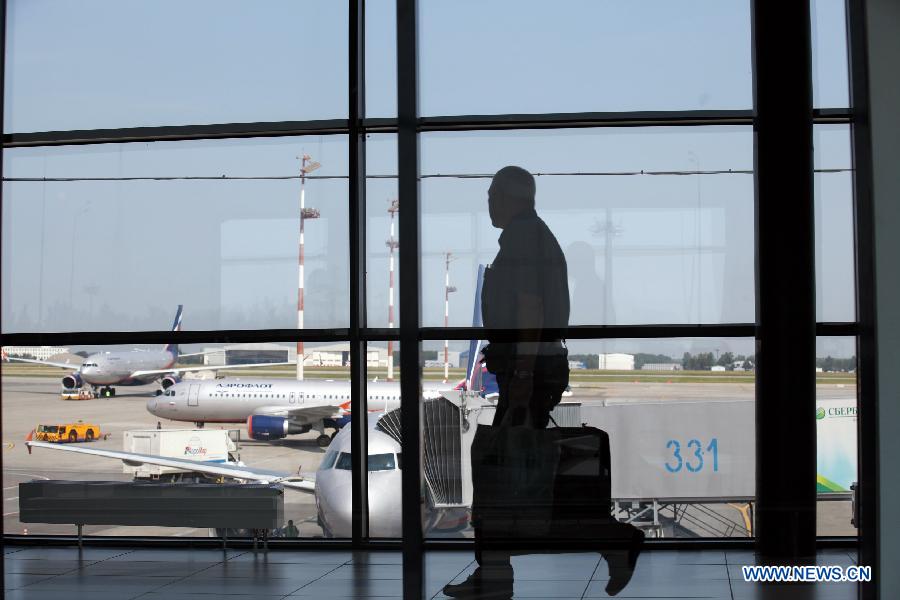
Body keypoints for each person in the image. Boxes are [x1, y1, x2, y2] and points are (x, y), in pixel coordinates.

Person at [445, 166, 570, 599]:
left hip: (527, 373)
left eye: (494, 194)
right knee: (505, 469)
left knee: (497, 471)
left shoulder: (522, 238)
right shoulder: (537, 236)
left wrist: (519, 373)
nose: (489, 202)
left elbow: (530, 308)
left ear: (515, 198)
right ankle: (495, 570)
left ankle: (495, 573)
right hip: (534, 369)